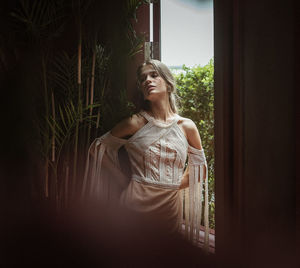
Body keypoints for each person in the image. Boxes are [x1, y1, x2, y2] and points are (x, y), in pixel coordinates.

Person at [82, 59, 209, 249]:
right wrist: (126, 180)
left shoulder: (187, 126)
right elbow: (97, 148)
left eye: (154, 75)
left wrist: (172, 185)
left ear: (168, 83)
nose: (147, 80)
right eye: (143, 79)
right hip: (133, 208)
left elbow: (200, 168)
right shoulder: (135, 123)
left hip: (170, 214)